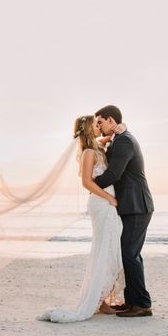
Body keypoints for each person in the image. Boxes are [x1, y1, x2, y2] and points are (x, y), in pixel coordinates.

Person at [37, 115, 126, 323]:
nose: (99, 127)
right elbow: (86, 182)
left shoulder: (95, 147)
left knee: (110, 249)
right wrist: (109, 197)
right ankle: (99, 300)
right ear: (88, 129)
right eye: (96, 125)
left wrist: (121, 127)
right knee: (104, 250)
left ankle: (102, 298)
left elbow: (111, 135)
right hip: (101, 204)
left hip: (106, 204)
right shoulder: (87, 153)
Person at [94, 105, 154, 318]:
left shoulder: (125, 141)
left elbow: (113, 175)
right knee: (128, 254)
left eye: (100, 122)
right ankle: (133, 301)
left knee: (130, 254)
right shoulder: (119, 138)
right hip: (131, 206)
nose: (98, 127)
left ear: (111, 120)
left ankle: (142, 305)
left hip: (137, 206)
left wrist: (90, 183)